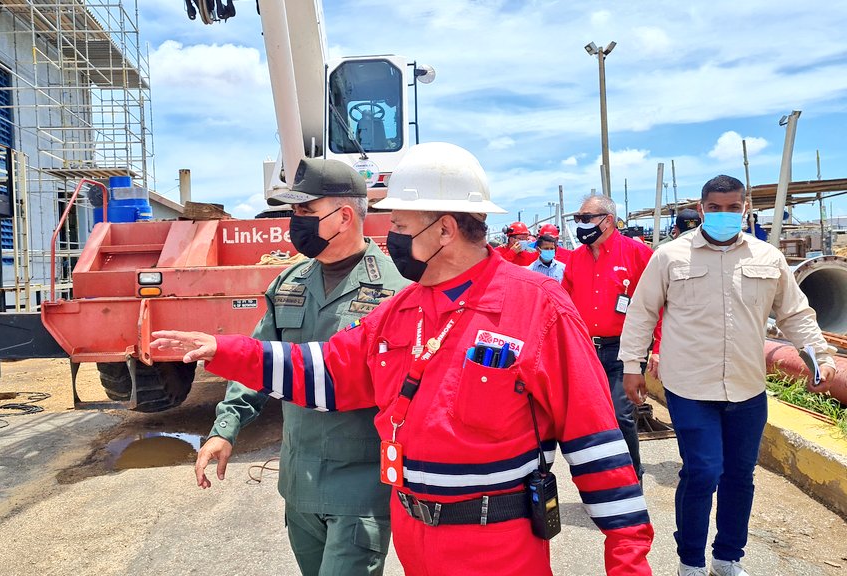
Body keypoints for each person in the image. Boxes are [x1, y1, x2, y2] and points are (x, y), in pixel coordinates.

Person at [154, 142, 653, 575]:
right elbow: (328, 370)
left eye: (399, 224)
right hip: (417, 543)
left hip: (498, 549)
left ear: (444, 229)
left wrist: (627, 560)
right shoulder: (402, 310)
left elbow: (596, 445)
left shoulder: (537, 307)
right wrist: (225, 350)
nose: (389, 236)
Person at [196, 158, 409, 576]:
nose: (295, 222)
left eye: (306, 211)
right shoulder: (289, 282)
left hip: (360, 487)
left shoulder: (396, 290)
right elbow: (260, 360)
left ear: (344, 216)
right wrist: (225, 428)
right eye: (294, 211)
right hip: (299, 484)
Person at [619, 175, 836, 576]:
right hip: (690, 387)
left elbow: (794, 313)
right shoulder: (670, 256)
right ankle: (690, 560)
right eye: (715, 208)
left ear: (745, 208)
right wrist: (632, 365)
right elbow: (642, 311)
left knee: (739, 475)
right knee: (702, 471)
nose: (724, 214)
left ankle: (727, 557)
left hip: (747, 387)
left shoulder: (767, 257)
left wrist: (819, 357)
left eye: (733, 207)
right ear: (702, 209)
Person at [562, 194, 654, 480]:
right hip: (587, 350)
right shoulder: (575, 259)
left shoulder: (638, 254)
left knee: (620, 415)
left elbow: (659, 303)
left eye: (586, 218)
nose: (580, 224)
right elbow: (564, 302)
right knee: (591, 418)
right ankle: (603, 479)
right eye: (578, 219)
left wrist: (659, 348)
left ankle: (631, 478)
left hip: (624, 350)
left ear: (608, 220)